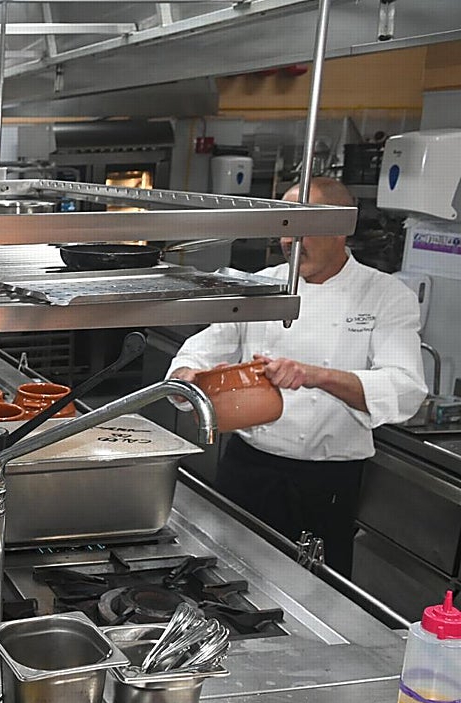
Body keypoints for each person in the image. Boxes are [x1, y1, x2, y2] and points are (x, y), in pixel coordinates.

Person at [168, 177, 426, 577]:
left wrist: (316, 375)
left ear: (342, 228)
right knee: (222, 578)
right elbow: (199, 351)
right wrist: (193, 377)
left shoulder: (385, 296)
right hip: (247, 469)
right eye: (286, 228)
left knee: (315, 591)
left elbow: (405, 389)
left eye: (302, 226)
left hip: (326, 483)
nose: (290, 241)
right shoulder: (259, 286)